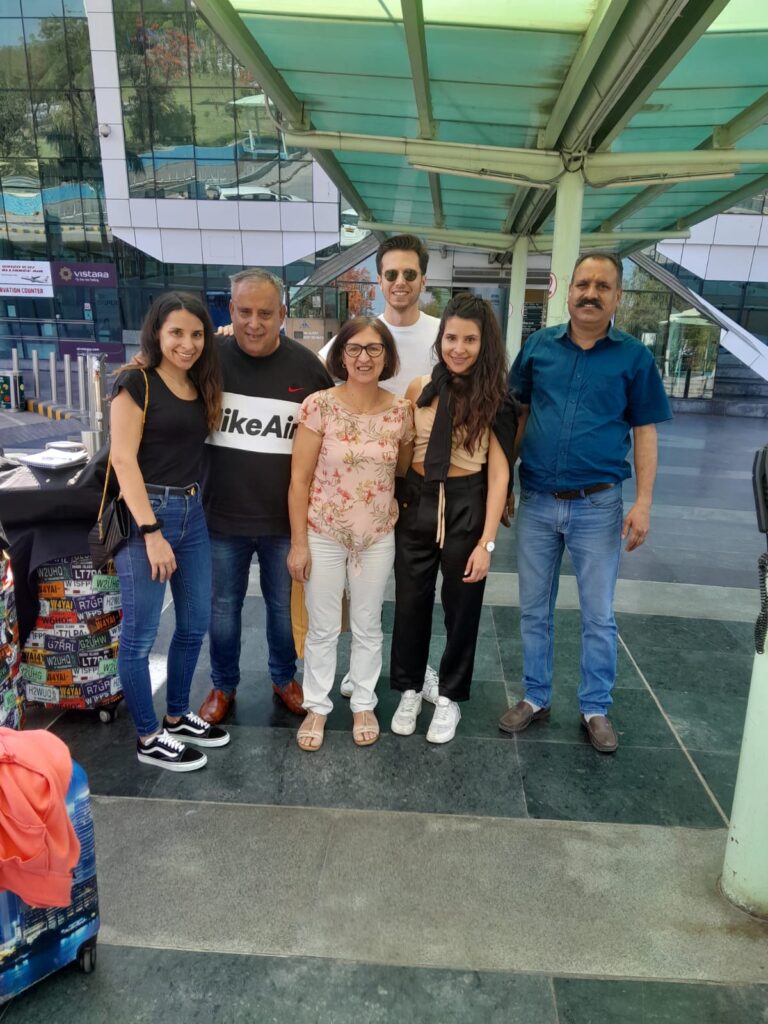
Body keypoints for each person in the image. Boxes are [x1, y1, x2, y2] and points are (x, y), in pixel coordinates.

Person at [498, 253, 672, 753]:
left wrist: (643, 502)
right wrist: (504, 483)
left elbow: (645, 432)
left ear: (617, 296)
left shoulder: (634, 358)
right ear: (567, 290)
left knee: (598, 615)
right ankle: (535, 696)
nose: (590, 294)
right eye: (582, 284)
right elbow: (518, 416)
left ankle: (595, 707)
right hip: (537, 500)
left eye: (602, 286)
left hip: (598, 507)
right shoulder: (539, 347)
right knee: (534, 609)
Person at [197, 269, 333, 726]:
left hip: (283, 520)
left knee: (282, 609)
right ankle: (222, 685)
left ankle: (283, 677)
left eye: (265, 313)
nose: (254, 323)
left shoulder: (307, 368)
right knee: (223, 609)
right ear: (230, 311)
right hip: (221, 517)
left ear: (282, 314)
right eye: (244, 312)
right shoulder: (208, 358)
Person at [318, 234, 443, 701]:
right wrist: (226, 338)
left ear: (423, 279)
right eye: (391, 274)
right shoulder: (358, 335)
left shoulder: (441, 334)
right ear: (379, 279)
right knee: (359, 589)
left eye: (410, 274)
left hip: (420, 480)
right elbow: (310, 373)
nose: (400, 282)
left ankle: (415, 668)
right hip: (357, 488)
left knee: (415, 588)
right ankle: (359, 669)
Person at [110, 292, 227, 772]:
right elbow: (123, 460)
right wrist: (151, 532)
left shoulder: (198, 379)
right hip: (148, 515)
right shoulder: (134, 382)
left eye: (197, 334)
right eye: (176, 332)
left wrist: (223, 333)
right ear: (156, 332)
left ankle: (176, 715)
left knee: (195, 622)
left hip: (192, 511)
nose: (187, 343)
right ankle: (148, 736)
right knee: (140, 637)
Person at [390, 293, 512, 745]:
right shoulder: (419, 387)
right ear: (440, 339)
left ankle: (450, 697)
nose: (458, 348)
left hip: (466, 503)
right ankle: (409, 687)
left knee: (462, 607)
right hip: (417, 499)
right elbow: (405, 452)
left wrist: (486, 542)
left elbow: (499, 474)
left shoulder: (496, 398)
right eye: (451, 338)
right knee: (410, 602)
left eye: (469, 340)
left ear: (485, 344)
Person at [287, 317, 414, 751]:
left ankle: (363, 702)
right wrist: (299, 543)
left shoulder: (401, 411)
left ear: (386, 356)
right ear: (341, 354)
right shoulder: (318, 406)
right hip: (323, 531)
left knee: (368, 624)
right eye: (355, 348)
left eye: (374, 348)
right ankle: (317, 707)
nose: (364, 357)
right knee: (322, 627)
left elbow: (400, 470)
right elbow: (299, 480)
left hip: (376, 535)